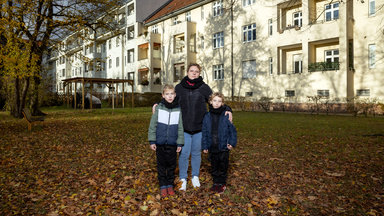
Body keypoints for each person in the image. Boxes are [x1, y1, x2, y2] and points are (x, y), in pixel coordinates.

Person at [152, 63, 232, 191]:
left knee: (196, 154)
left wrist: (228, 109)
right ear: (187, 72)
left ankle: (195, 176)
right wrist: (158, 103)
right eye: (191, 71)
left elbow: (214, 101)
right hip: (183, 128)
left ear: (199, 73)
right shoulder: (180, 87)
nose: (194, 73)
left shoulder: (204, 88)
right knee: (183, 154)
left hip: (200, 128)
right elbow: (169, 98)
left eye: (196, 71)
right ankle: (183, 178)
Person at [148, 84, 184, 197]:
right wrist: (152, 141)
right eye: (167, 94)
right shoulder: (159, 108)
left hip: (172, 144)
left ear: (175, 95)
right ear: (163, 95)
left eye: (172, 94)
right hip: (160, 143)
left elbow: (180, 127)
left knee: (171, 166)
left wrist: (180, 142)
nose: (170, 96)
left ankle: (170, 185)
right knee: (161, 166)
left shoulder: (178, 109)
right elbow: (152, 126)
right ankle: (163, 185)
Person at [202, 92, 237, 193]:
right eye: (215, 101)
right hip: (212, 146)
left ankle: (222, 183)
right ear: (211, 102)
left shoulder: (226, 115)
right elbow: (204, 132)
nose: (217, 103)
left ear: (222, 103)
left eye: (219, 101)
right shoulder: (207, 116)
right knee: (214, 165)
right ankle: (216, 182)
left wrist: (231, 142)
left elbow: (232, 131)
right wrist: (204, 145)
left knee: (223, 165)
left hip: (223, 146)